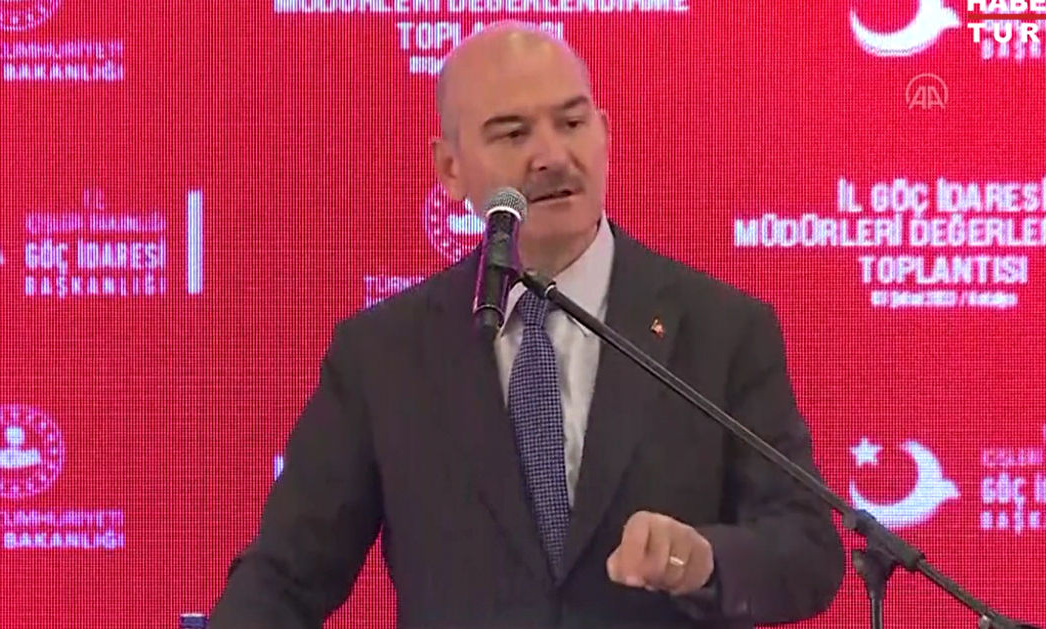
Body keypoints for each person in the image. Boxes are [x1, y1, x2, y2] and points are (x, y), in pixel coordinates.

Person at [208, 22, 844, 629]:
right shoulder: (384, 353)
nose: (552, 156)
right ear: (450, 169)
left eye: (572, 123)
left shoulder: (721, 329)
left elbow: (808, 547)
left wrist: (703, 559)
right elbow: (285, 576)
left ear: (604, 133)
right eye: (512, 135)